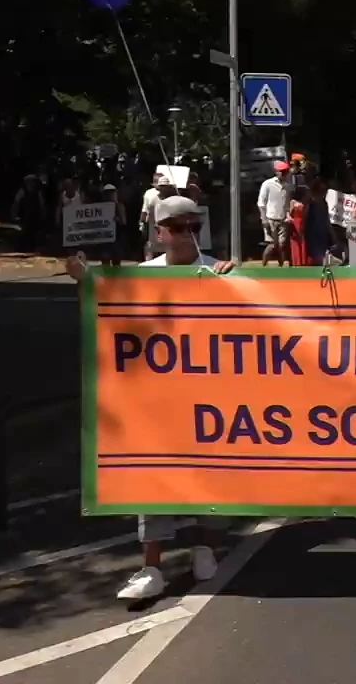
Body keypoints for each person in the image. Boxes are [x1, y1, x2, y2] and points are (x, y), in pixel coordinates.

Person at [66, 195, 236, 601]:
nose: (187, 235)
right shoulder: (142, 276)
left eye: (194, 226)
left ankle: (205, 547)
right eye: (178, 227)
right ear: (159, 232)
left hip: (208, 400)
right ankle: (152, 567)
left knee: (210, 478)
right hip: (158, 402)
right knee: (152, 476)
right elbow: (107, 319)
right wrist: (84, 281)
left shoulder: (216, 271)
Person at [258, 161, 293, 266]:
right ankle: (263, 265)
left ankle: (281, 265)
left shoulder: (287, 186)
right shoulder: (268, 184)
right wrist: (263, 219)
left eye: (285, 172)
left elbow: (287, 203)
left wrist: (288, 215)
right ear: (277, 172)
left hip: (282, 219)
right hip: (270, 218)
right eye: (281, 172)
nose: (283, 174)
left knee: (281, 245)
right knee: (273, 244)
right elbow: (261, 203)